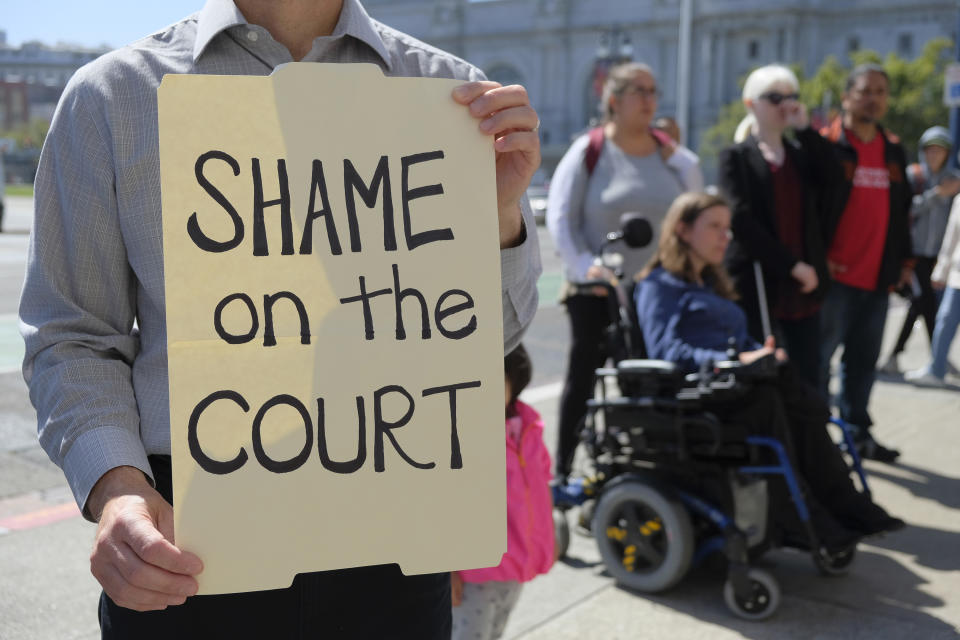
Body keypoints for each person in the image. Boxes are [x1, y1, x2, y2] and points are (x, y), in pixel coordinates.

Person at [18, 1, 542, 638]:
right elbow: (71, 334)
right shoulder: (113, 96)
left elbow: (483, 341)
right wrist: (117, 488)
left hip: (394, 538)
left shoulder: (450, 97)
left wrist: (500, 216)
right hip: (192, 544)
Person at [634, 192, 904, 553]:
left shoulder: (711, 284)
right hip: (696, 396)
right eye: (714, 227)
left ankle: (846, 504)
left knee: (800, 403)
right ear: (682, 230)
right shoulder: (658, 285)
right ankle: (802, 520)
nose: (724, 237)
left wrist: (757, 352)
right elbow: (666, 350)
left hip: (736, 384)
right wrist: (729, 360)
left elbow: (739, 340)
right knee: (772, 402)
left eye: (727, 229)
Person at [546, 61, 703, 479]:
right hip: (599, 291)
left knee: (653, 383)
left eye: (654, 92)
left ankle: (648, 468)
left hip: (658, 294)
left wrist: (682, 160)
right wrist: (585, 266)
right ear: (614, 100)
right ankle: (562, 471)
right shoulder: (590, 151)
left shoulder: (670, 157)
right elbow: (561, 218)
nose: (650, 100)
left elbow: (698, 208)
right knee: (583, 382)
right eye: (640, 91)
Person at [817, 63, 914, 463]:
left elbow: (902, 208)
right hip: (833, 280)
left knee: (862, 366)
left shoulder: (892, 150)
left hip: (878, 280)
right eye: (865, 91)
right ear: (847, 97)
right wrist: (817, 258)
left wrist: (904, 262)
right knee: (820, 365)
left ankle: (858, 434)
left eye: (880, 91)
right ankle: (817, 442)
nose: (873, 98)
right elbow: (811, 210)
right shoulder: (828, 146)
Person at [718, 64, 836, 387]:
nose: (785, 105)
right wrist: (792, 266)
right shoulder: (736, 157)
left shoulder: (799, 155)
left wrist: (805, 129)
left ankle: (806, 437)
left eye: (791, 97)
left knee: (809, 375)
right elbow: (741, 220)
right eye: (774, 97)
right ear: (751, 104)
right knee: (764, 375)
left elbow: (835, 180)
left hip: (803, 288)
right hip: (760, 283)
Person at [450, 344, 554, 640]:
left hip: (517, 565)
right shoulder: (460, 436)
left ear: (514, 380)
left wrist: (546, 541)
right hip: (475, 575)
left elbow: (540, 489)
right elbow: (442, 509)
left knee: (495, 633)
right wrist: (448, 570)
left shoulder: (530, 427)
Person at [881, 126, 960, 373]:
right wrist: (937, 194)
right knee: (926, 305)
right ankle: (938, 360)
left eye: (940, 150)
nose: (935, 155)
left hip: (939, 257)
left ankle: (901, 357)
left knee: (920, 305)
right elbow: (906, 210)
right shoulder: (914, 176)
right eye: (930, 150)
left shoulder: (954, 179)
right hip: (913, 256)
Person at [905, 193, 960, 386]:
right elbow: (951, 238)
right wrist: (941, 271)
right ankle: (936, 370)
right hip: (956, 277)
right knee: (944, 321)